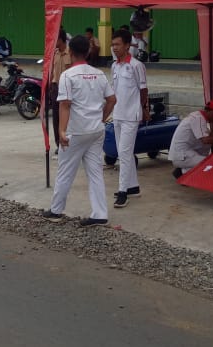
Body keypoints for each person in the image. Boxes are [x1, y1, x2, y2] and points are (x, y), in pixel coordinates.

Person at [41, 35, 116, 228]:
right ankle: (100, 214)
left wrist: (62, 131)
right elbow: (112, 100)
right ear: (89, 52)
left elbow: (65, 105)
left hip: (76, 131)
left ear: (71, 52)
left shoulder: (68, 75)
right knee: (95, 173)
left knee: (65, 172)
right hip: (96, 131)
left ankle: (56, 211)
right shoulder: (99, 74)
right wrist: (102, 117)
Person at [110, 29, 149, 208]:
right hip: (117, 114)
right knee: (123, 152)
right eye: (113, 44)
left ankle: (123, 191)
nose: (114, 47)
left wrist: (143, 109)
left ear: (127, 45)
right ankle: (133, 187)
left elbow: (143, 90)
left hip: (131, 116)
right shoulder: (114, 66)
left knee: (124, 154)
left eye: (117, 44)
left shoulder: (136, 65)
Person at [169, 100, 213, 177]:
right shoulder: (198, 118)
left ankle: (185, 170)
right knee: (211, 165)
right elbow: (206, 140)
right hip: (181, 156)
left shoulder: (199, 116)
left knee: (209, 143)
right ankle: (183, 172)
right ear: (209, 111)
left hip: (183, 153)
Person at [48, 30, 72, 154]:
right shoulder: (55, 54)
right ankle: (59, 144)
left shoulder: (71, 53)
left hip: (68, 90)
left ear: (62, 40)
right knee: (56, 118)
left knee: (67, 118)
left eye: (56, 40)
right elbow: (52, 72)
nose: (54, 42)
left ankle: (68, 141)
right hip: (56, 88)